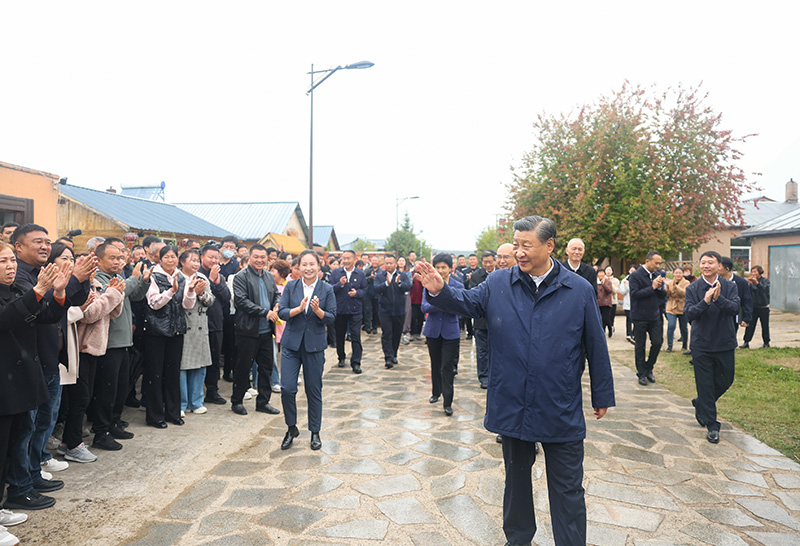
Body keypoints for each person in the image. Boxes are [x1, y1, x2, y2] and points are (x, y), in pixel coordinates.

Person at [415, 215, 614, 546]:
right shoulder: (498, 283)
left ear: (549, 246)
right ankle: (518, 539)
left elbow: (596, 343)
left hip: (559, 403)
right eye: (516, 244)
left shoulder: (577, 289)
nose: (518, 252)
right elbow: (467, 302)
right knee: (516, 482)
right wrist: (440, 290)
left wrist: (602, 393)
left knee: (567, 487)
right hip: (513, 400)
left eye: (527, 245)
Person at [6, 226, 93, 511]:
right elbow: (19, 314)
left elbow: (51, 313)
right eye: (37, 242)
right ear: (18, 247)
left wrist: (66, 287)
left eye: (47, 241)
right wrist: (55, 287)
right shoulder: (19, 277)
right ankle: (21, 485)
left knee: (36, 425)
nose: (45, 246)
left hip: (41, 359)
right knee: (24, 431)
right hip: (20, 364)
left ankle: (29, 477)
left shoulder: (35, 275)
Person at [0, 241, 68, 538]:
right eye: (2, 261)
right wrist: (38, 289)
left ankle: (7, 501)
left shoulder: (16, 291)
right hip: (4, 384)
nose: (10, 266)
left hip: (20, 381)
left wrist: (59, 291)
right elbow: (6, 319)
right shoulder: (20, 293)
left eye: (11, 260)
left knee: (10, 449)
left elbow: (45, 317)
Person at [92, 242, 149, 451]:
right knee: (106, 390)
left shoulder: (118, 278)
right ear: (99, 259)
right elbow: (119, 295)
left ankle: (114, 423)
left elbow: (136, 295)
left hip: (124, 341)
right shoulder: (98, 279)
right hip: (109, 344)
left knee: (120, 388)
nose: (117, 261)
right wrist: (134, 278)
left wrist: (143, 281)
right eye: (112, 258)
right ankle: (101, 431)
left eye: (119, 257)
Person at [277, 250, 336, 451]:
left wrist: (319, 311)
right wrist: (298, 309)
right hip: (291, 345)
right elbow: (282, 312)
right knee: (287, 388)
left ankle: (315, 432)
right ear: (298, 267)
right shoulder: (291, 286)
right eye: (304, 264)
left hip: (314, 346)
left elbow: (332, 317)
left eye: (312, 264)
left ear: (319, 266)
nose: (308, 268)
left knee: (313, 389)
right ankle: (291, 427)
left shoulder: (326, 289)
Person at [685, 251, 740, 444]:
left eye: (711, 262)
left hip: (725, 342)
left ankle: (702, 403)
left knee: (727, 379)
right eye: (703, 262)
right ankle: (712, 425)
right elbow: (690, 313)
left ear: (719, 266)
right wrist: (706, 300)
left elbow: (734, 308)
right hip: (702, 344)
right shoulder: (693, 288)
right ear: (700, 266)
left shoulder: (730, 286)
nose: (707, 265)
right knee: (705, 384)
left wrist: (718, 299)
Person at [143, 245, 199, 428]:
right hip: (156, 332)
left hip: (176, 331)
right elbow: (154, 303)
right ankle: (155, 416)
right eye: (166, 257)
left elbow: (188, 305)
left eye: (173, 257)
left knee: (173, 374)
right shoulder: (154, 276)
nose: (170, 260)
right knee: (155, 374)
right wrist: (171, 290)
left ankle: (173, 413)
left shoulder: (182, 277)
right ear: (159, 259)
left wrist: (190, 290)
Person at [231, 244, 280, 416]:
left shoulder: (268, 276)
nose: (260, 260)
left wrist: (277, 304)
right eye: (256, 256)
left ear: (267, 259)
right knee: (243, 367)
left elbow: (276, 294)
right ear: (249, 257)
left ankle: (263, 402)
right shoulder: (241, 277)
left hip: (266, 331)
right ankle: (237, 401)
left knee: (266, 368)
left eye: (263, 257)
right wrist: (265, 312)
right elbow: (242, 302)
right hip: (247, 330)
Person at [421, 253, 462, 416]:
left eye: (443, 267)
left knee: (447, 367)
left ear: (450, 268)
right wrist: (443, 303)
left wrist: (438, 301)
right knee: (435, 364)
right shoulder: (428, 285)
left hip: (451, 332)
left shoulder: (458, 286)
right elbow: (424, 308)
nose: (440, 270)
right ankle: (435, 392)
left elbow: (459, 307)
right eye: (437, 267)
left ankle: (447, 401)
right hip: (432, 330)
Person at [178, 249, 212, 417]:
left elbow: (210, 301)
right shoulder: (177, 278)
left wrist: (202, 294)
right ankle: (181, 403)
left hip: (200, 326)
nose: (196, 263)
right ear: (182, 262)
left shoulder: (203, 278)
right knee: (182, 367)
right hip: (184, 325)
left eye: (198, 260)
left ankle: (196, 402)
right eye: (192, 260)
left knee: (199, 365)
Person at [198, 244, 230, 405]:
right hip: (199, 324)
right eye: (210, 257)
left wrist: (217, 282)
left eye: (216, 257)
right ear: (201, 257)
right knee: (199, 360)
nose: (214, 260)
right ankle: (196, 393)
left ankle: (212, 391)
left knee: (215, 359)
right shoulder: (196, 274)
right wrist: (209, 280)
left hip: (216, 323)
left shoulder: (220, 276)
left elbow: (226, 297)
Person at [629, 251, 666, 386]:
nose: (658, 266)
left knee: (657, 342)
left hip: (654, 315)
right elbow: (635, 294)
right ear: (647, 261)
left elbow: (663, 294)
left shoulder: (658, 275)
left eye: (659, 263)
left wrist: (660, 287)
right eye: (656, 263)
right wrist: (652, 287)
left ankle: (649, 367)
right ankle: (641, 373)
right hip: (639, 316)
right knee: (640, 346)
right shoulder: (635, 276)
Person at [329, 250, 367, 374]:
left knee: (356, 336)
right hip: (340, 310)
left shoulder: (360, 274)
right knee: (340, 336)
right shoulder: (336, 273)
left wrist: (357, 293)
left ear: (354, 259)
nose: (345, 261)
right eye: (343, 258)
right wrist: (339, 284)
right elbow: (329, 289)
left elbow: (364, 290)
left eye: (348, 258)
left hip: (355, 310)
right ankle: (341, 357)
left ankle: (356, 363)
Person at [373, 254, 411, 368]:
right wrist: (387, 283)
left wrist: (399, 283)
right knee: (387, 334)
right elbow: (376, 288)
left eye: (391, 263)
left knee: (396, 334)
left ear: (396, 264)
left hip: (399, 310)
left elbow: (408, 286)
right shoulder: (380, 276)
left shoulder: (402, 275)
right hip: (385, 310)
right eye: (387, 263)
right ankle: (388, 358)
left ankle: (394, 354)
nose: (389, 265)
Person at [470, 250, 496, 389]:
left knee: (496, 350)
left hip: (499, 321)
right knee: (482, 351)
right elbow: (475, 297)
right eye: (485, 262)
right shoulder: (475, 276)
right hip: (481, 321)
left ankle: (494, 375)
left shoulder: (502, 274)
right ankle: (484, 377)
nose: (488, 264)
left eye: (490, 261)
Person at [719, 257, 753, 340]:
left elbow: (746, 300)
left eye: (719, 266)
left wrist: (746, 318)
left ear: (727, 269)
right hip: (717, 315)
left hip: (733, 316)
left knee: (730, 338)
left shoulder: (741, 282)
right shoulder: (715, 281)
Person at [742, 266, 770, 348]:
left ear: (760, 272)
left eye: (755, 271)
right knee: (750, 325)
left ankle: (766, 343)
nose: (753, 273)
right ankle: (746, 342)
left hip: (763, 307)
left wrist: (757, 283)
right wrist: (749, 285)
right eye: (752, 271)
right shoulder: (751, 281)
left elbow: (764, 290)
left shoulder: (765, 281)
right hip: (753, 307)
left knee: (764, 326)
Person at [664, 267, 690, 353]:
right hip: (671, 306)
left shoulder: (686, 282)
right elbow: (667, 295)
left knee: (683, 328)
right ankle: (670, 345)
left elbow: (684, 293)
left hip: (682, 306)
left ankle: (685, 345)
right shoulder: (670, 282)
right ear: (673, 274)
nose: (678, 275)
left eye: (680, 273)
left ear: (683, 274)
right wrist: (667, 287)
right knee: (671, 325)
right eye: (676, 273)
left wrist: (675, 286)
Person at [362, 255, 381, 335]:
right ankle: (367, 326)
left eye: (376, 261)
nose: (374, 262)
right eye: (373, 261)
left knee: (376, 311)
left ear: (379, 262)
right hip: (368, 294)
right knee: (367, 310)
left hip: (377, 294)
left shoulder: (381, 271)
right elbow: (363, 280)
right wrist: (370, 277)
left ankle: (375, 327)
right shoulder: (367, 270)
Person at [619, 266, 635, 343]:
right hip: (627, 303)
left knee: (635, 319)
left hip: (636, 303)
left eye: (633, 270)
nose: (632, 272)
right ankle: (628, 334)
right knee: (628, 319)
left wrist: (628, 287)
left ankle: (634, 333)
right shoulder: (625, 280)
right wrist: (626, 287)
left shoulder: (637, 279)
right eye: (631, 270)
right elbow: (622, 292)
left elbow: (634, 290)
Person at [596, 268, 614, 338]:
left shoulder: (608, 282)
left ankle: (609, 328)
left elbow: (610, 291)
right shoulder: (595, 282)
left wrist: (604, 284)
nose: (601, 274)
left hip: (606, 303)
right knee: (599, 319)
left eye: (602, 273)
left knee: (606, 319)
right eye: (599, 273)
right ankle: (601, 333)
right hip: (598, 303)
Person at [605, 266, 620, 333]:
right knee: (605, 316)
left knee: (611, 316)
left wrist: (611, 285)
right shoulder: (602, 279)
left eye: (610, 270)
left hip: (613, 301)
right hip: (604, 301)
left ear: (612, 272)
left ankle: (611, 327)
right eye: (607, 270)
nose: (608, 271)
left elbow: (616, 291)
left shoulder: (615, 280)